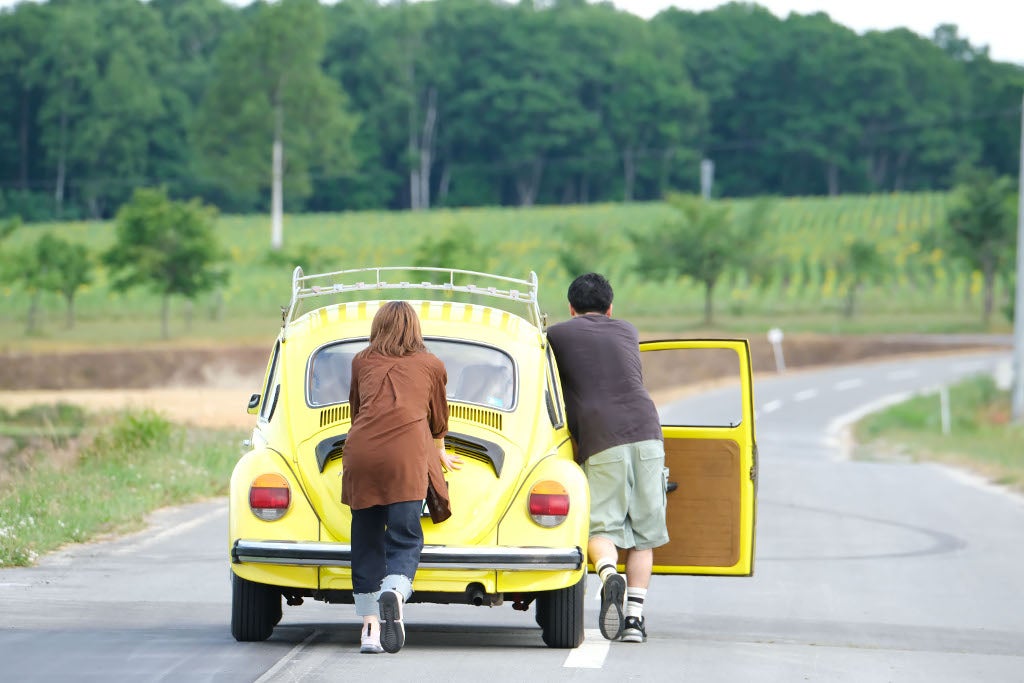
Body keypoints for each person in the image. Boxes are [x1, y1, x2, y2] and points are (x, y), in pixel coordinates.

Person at [545, 273, 667, 644]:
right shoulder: (627, 330)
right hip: (648, 432)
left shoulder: (557, 336)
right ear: (610, 308)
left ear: (571, 307)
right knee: (643, 537)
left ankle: (609, 573)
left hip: (602, 436)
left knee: (600, 528)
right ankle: (633, 619)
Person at [341, 301, 463, 654]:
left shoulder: (362, 360)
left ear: (378, 326)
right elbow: (438, 417)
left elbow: (357, 409)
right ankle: (393, 592)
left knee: (365, 540)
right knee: (405, 535)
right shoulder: (431, 364)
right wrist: (438, 449)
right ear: (415, 328)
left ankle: (368, 630)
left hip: (361, 453)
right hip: (406, 458)